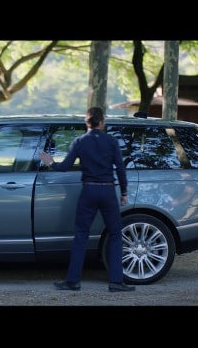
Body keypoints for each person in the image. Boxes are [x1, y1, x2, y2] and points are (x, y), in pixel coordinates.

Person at [39, 106, 135, 292]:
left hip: (89, 191)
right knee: (115, 235)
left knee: (81, 235)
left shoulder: (79, 142)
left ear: (87, 123)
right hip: (107, 192)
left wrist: (51, 163)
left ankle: (73, 281)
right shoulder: (111, 141)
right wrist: (124, 193)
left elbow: (65, 166)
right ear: (101, 123)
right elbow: (121, 170)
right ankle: (116, 282)